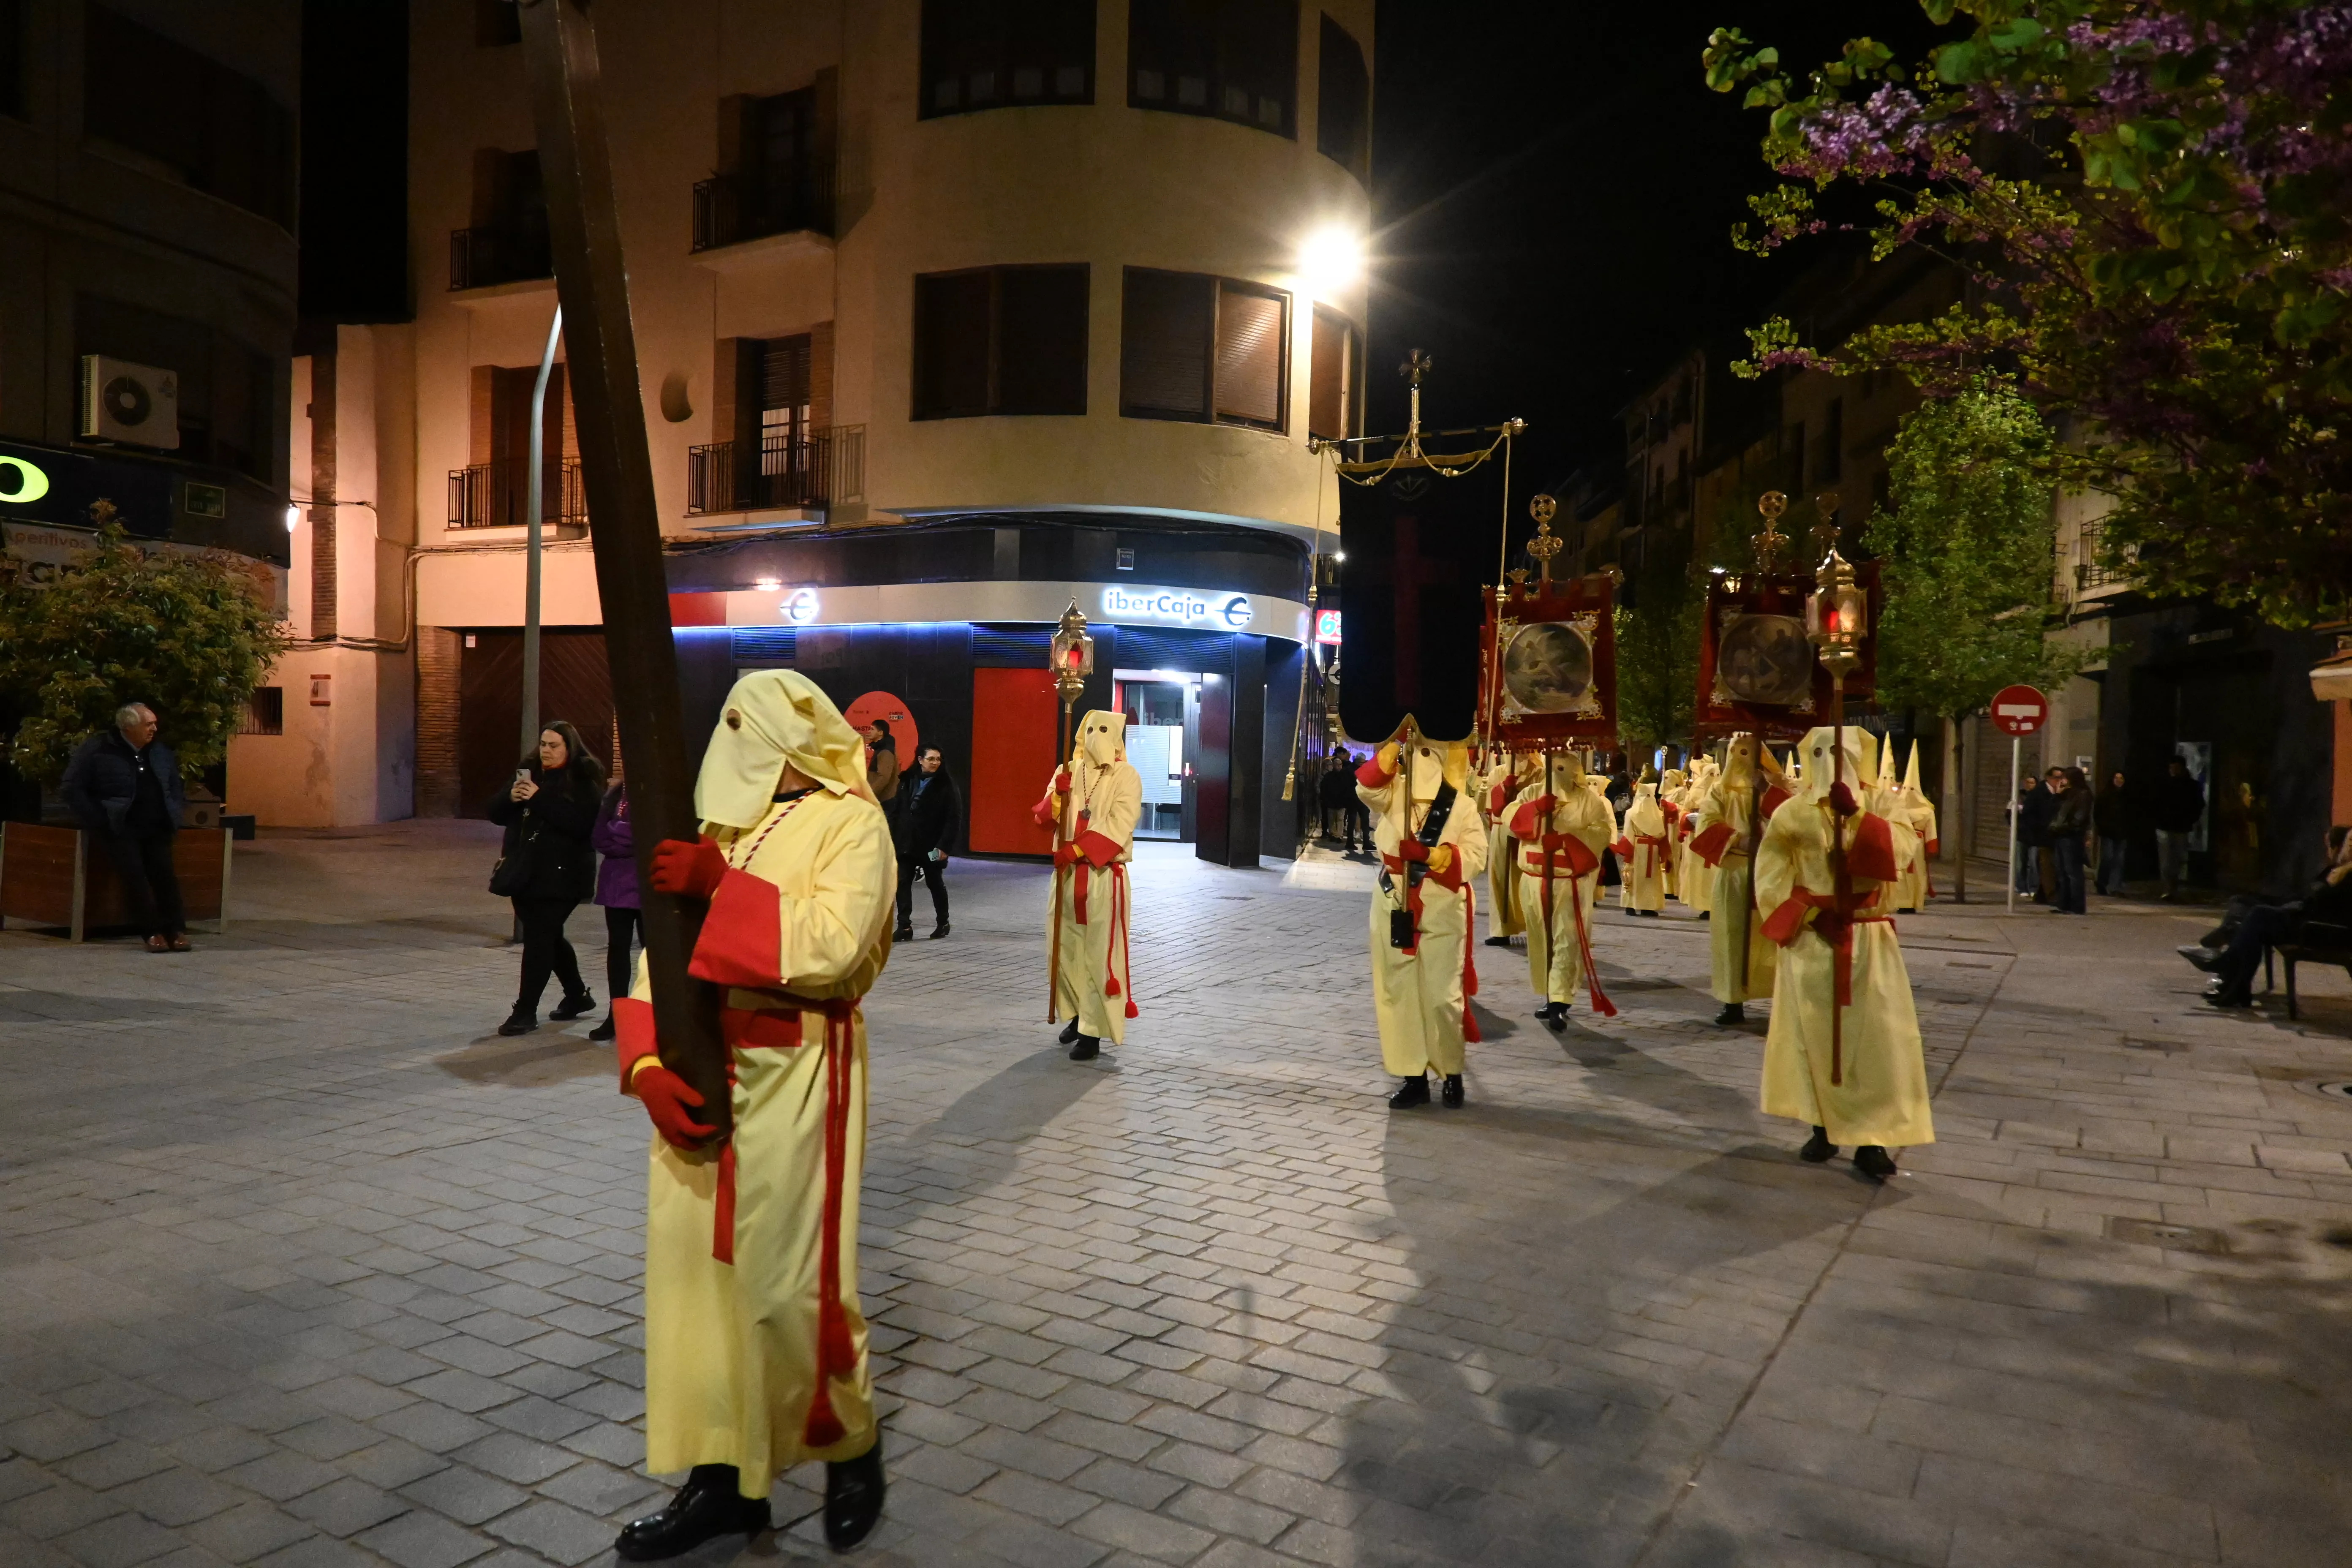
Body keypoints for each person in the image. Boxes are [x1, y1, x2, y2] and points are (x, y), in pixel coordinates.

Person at [616, 668, 893, 1558]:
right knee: (695, 1286)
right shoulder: (718, 830)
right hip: (702, 1064)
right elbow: (658, 957)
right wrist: (647, 1062)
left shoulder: (854, 820)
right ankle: (723, 1479)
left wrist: (721, 889)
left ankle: (849, 1443)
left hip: (799, 1063)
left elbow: (834, 942)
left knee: (789, 1283)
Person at [1756, 724, 1932, 1181]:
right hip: (1813, 938)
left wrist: (1857, 818)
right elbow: (1771, 875)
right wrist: (1809, 917)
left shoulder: (1881, 804)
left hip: (1869, 937)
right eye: (1822, 751)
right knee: (1813, 1035)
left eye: (1842, 752)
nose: (1832, 759)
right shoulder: (1792, 812)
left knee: (1877, 1039)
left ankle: (1873, 1139)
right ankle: (1823, 1126)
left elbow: (1903, 853)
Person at [1360, 729, 1488, 1108]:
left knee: (1441, 996)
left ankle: (1451, 1072)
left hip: (1442, 904)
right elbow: (1367, 787)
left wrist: (1433, 857)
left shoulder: (1463, 806)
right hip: (1392, 900)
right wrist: (1394, 740)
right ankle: (1412, 1076)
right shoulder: (1393, 793)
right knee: (1397, 993)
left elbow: (1477, 858)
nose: (1421, 757)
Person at [1035, 710, 1142, 1060]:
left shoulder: (1126, 776)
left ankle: (1093, 1032)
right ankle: (1078, 1014)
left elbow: (1121, 822)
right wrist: (1056, 799)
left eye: (1103, 730)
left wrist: (1078, 848)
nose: (1095, 736)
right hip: (1066, 876)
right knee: (1066, 950)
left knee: (1098, 955)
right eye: (1090, 729)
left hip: (1102, 877)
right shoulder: (1065, 772)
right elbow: (1042, 818)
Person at [488, 720, 606, 1036]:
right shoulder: (528, 770)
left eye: (554, 746)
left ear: (569, 747)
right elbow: (495, 813)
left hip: (563, 876)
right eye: (543, 744)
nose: (546, 751)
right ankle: (577, 995)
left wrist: (539, 799)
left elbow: (582, 825)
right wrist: (510, 798)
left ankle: (525, 1011)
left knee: (540, 937)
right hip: (525, 871)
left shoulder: (584, 778)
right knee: (548, 936)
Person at [61, 702, 190, 952]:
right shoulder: (99, 750)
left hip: (157, 826)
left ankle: (176, 929)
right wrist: (99, 819)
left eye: (154, 723)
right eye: (148, 724)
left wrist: (175, 809)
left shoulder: (159, 751)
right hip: (121, 827)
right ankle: (151, 932)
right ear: (129, 728)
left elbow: (174, 784)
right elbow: (72, 788)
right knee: (135, 879)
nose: (154, 728)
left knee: (166, 879)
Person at [1507, 751, 1618, 1031]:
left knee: (1567, 940)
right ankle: (1549, 992)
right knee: (1541, 940)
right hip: (1533, 878)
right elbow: (1510, 821)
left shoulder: (1590, 801)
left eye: (1564, 769)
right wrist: (1534, 811)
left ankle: (1560, 1000)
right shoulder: (1532, 792)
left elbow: (1602, 833)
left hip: (1569, 882)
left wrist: (1567, 841)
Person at [1689, 733, 1789, 1026]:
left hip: (1769, 873)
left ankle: (1778, 997)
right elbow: (1706, 825)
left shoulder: (1774, 788)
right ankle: (1732, 1001)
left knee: (1770, 936)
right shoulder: (1719, 793)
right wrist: (1742, 841)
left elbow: (1791, 818)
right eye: (1738, 753)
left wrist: (1768, 793)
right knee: (1732, 938)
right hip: (1734, 872)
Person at [2191, 828, 2352, 1008]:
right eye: (2349, 841)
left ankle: (2230, 967)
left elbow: (2330, 909)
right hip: (2303, 919)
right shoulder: (2336, 870)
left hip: (2318, 931)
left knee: (2257, 917)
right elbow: (2307, 896)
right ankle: (2235, 982)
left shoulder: (2348, 877)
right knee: (2248, 911)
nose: (2349, 846)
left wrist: (2326, 887)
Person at [893, 744, 960, 942]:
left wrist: (943, 847)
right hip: (906, 844)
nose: (935, 763)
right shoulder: (907, 781)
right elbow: (898, 811)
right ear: (920, 760)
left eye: (938, 759)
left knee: (935, 882)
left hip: (932, 847)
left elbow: (953, 819)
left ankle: (943, 922)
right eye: (931, 759)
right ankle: (904, 926)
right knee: (903, 882)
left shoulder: (946, 785)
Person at [589, 779, 639, 1043]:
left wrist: (618, 834)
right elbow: (599, 836)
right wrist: (631, 842)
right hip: (616, 885)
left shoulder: (661, 792)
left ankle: (653, 1013)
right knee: (617, 950)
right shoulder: (615, 794)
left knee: (654, 955)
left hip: (649, 885)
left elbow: (657, 837)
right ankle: (616, 1014)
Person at [1482, 748, 1537, 947]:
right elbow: (1491, 805)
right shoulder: (1497, 772)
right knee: (1500, 878)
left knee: (1529, 881)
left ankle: (1535, 927)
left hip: (1528, 832)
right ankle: (1501, 929)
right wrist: (1504, 788)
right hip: (1502, 831)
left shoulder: (1540, 772)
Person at [1615, 779, 1669, 916]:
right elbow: (1662, 834)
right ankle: (1645, 906)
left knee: (1636, 878)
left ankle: (1633, 905)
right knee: (1644, 879)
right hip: (1649, 850)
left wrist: (1628, 852)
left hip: (1638, 848)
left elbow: (1628, 833)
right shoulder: (1658, 814)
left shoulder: (1632, 813)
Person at [2154, 755, 2205, 899]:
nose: (2173, 770)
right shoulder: (2164, 784)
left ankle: (2173, 888)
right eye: (2171, 767)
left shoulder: (2191, 786)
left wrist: (2190, 819)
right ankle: (2168, 889)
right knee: (2166, 861)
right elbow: (2155, 802)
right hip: (2165, 826)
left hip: (2181, 827)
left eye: (2175, 767)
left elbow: (2199, 805)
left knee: (2178, 860)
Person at [2048, 766, 2093, 914]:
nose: (2062, 780)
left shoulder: (2083, 795)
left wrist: (2062, 828)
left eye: (2065, 777)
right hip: (2061, 836)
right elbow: (2054, 811)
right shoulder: (2067, 794)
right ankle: (2064, 904)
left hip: (2072, 837)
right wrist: (2058, 794)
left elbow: (2079, 819)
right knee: (2061, 871)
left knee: (2073, 872)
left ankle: (2077, 906)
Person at [2094, 769, 2133, 896]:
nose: (2119, 781)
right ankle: (2102, 882)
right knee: (2108, 858)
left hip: (2122, 832)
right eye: (2117, 778)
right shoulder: (2105, 795)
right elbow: (2098, 814)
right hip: (2108, 832)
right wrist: (2104, 826)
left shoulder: (2127, 796)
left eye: (2122, 778)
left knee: (2119, 860)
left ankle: (2115, 887)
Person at [860, 720, 901, 827]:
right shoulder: (883, 748)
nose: (868, 732)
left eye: (872, 729)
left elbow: (884, 777)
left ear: (881, 733)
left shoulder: (885, 751)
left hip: (885, 801)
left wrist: (870, 795)